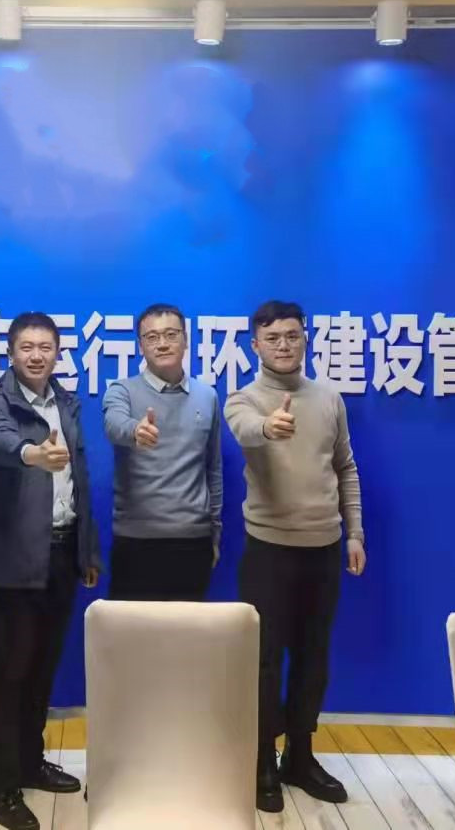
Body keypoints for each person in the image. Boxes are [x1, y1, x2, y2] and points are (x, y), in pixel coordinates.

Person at [223, 300, 367, 813]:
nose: (283, 345)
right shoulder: (243, 398)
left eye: (292, 335)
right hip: (269, 551)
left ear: (305, 339)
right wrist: (269, 428)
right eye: (272, 338)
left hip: (324, 549)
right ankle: (262, 759)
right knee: (263, 660)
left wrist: (355, 533)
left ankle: (300, 757)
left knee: (313, 657)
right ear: (255, 345)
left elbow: (345, 467)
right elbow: (245, 429)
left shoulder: (329, 398)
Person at [0, 312, 103, 830]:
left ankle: (29, 761)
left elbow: (79, 479)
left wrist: (87, 552)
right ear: (11, 352)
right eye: (26, 347)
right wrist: (29, 453)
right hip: (15, 556)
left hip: (63, 552)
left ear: (58, 353)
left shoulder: (66, 402)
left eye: (45, 347)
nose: (36, 355)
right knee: (10, 672)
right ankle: (0, 787)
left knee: (42, 667)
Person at [101, 302, 223, 600]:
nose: (163, 343)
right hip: (136, 541)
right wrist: (135, 430)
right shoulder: (122, 390)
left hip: (193, 540)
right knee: (131, 629)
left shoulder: (207, 396)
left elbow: (213, 469)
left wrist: (214, 532)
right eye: (152, 337)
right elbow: (113, 424)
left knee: (186, 629)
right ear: (140, 346)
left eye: (171, 334)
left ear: (186, 340)